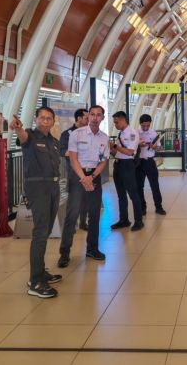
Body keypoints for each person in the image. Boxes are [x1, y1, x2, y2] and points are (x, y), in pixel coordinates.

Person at [9, 107, 62, 299]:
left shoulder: (54, 142)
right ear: (36, 119)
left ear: (53, 121)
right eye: (42, 118)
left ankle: (40, 272)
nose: (45, 121)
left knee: (45, 231)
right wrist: (17, 128)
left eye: (49, 119)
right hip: (38, 189)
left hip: (54, 188)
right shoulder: (30, 136)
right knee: (40, 233)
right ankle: (35, 281)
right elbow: (22, 137)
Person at [58, 105, 109, 267]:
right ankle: (64, 253)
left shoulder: (104, 138)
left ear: (102, 118)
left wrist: (92, 177)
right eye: (92, 115)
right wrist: (84, 178)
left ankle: (92, 249)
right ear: (88, 117)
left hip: (94, 175)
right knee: (71, 216)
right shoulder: (76, 134)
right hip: (77, 176)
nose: (95, 118)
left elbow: (103, 161)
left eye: (98, 115)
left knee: (94, 215)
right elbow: (73, 159)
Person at [110, 111, 144, 231]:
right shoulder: (121, 133)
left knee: (133, 194)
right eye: (114, 122)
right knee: (121, 195)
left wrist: (115, 146)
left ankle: (139, 221)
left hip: (127, 166)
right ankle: (124, 220)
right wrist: (110, 149)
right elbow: (117, 152)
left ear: (123, 120)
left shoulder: (132, 133)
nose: (115, 124)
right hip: (118, 165)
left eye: (116, 122)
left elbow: (130, 152)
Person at [59, 108, 89, 230]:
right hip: (74, 172)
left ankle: (83, 222)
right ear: (79, 118)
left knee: (86, 199)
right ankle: (71, 225)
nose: (89, 120)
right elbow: (61, 151)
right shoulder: (67, 134)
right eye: (86, 118)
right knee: (74, 200)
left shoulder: (89, 132)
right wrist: (75, 153)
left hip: (88, 170)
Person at [136, 114, 166, 216]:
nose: (145, 128)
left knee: (155, 185)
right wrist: (138, 145)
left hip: (150, 161)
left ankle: (159, 207)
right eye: (143, 126)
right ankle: (142, 208)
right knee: (139, 186)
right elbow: (130, 147)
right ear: (140, 124)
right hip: (138, 163)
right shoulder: (135, 133)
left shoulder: (153, 133)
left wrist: (154, 147)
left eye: (147, 126)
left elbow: (159, 148)